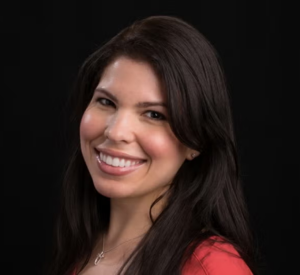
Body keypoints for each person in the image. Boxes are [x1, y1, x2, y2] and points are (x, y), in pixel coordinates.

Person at [47, 15, 258, 275]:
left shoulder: (213, 268)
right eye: (106, 102)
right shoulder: (82, 249)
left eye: (154, 115)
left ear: (197, 142)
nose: (116, 131)